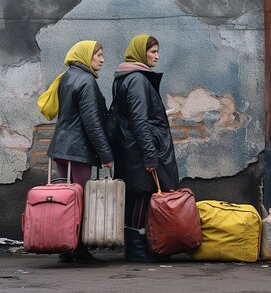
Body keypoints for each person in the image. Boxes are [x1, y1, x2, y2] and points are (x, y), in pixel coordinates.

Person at [42, 40, 113, 264]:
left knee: (64, 200)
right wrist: (106, 155)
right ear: (85, 56)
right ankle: (79, 249)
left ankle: (65, 246)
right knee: (80, 200)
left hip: (60, 148)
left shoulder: (66, 77)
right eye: (98, 55)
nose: (102, 59)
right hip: (78, 150)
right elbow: (92, 122)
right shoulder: (87, 81)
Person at [111, 34, 179, 262]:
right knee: (141, 197)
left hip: (131, 148)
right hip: (139, 150)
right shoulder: (137, 80)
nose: (157, 56)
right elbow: (139, 121)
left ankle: (137, 248)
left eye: (157, 51)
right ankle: (138, 250)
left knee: (137, 197)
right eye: (152, 52)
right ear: (141, 52)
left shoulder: (125, 78)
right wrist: (150, 155)